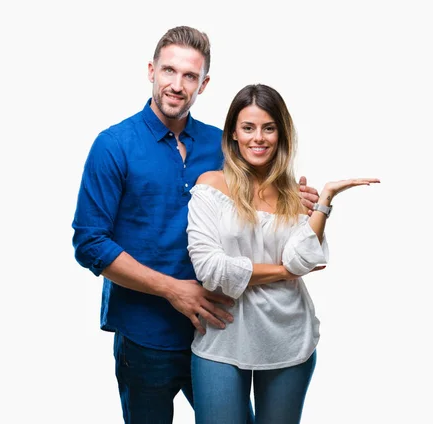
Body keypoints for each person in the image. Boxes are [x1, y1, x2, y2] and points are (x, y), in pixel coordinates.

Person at [71, 27, 321, 423]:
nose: (177, 84)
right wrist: (173, 290)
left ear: (203, 84)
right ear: (151, 71)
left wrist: (297, 199)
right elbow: (90, 244)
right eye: (169, 71)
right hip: (145, 334)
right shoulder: (113, 144)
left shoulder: (220, 145)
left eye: (189, 76)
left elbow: (259, 197)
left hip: (221, 331)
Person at [186, 83, 380, 424]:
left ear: (281, 134)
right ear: (233, 133)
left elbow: (305, 260)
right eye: (248, 128)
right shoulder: (210, 186)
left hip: (288, 336)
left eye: (268, 128)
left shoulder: (295, 194)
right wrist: (280, 272)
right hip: (223, 336)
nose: (258, 138)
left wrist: (325, 202)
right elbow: (211, 270)